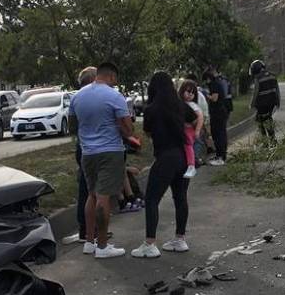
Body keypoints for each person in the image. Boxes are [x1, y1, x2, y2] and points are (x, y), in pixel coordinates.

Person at [68, 61, 134, 259]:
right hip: (110, 151)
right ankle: (103, 246)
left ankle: (89, 241)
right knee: (104, 197)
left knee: (92, 194)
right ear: (112, 76)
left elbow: (72, 127)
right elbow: (128, 130)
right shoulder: (115, 96)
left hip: (87, 153)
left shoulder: (78, 96)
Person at [132, 71, 196, 258]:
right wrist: (192, 135)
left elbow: (148, 132)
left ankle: (150, 244)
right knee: (180, 197)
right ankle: (180, 239)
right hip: (183, 157)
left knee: (152, 199)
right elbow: (195, 119)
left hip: (165, 157)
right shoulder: (180, 105)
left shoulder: (151, 109)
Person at [63, 66, 98, 245]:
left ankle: (86, 229)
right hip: (98, 149)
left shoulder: (76, 99)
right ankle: (92, 230)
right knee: (94, 192)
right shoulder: (100, 98)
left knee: (85, 188)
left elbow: (72, 127)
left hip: (82, 147)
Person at [203, 66, 233, 165]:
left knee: (219, 134)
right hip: (219, 112)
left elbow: (214, 98)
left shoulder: (214, 84)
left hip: (218, 113)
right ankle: (220, 155)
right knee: (218, 133)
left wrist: (205, 94)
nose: (206, 82)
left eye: (206, 80)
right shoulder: (217, 83)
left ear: (208, 78)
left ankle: (221, 156)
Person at [178, 79, 206, 178]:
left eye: (193, 93)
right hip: (183, 129)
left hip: (189, 130)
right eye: (188, 91)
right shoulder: (180, 104)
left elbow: (200, 117)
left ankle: (191, 166)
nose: (190, 94)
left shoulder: (193, 105)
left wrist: (197, 130)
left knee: (188, 145)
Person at [250, 59, 281, 142]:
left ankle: (266, 140)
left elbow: (255, 92)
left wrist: (252, 104)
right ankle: (271, 139)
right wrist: (278, 102)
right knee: (268, 118)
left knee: (260, 120)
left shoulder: (258, 78)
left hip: (262, 104)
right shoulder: (273, 75)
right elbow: (277, 90)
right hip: (272, 103)